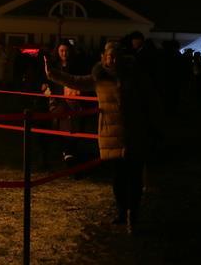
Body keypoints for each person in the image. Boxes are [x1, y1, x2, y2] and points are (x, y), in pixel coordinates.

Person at [45, 43, 154, 233]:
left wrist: (151, 124)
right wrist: (53, 73)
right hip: (112, 134)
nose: (113, 60)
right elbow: (75, 80)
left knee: (135, 177)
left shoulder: (134, 77)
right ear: (103, 57)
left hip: (134, 132)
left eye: (116, 56)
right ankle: (122, 212)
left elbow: (149, 100)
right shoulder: (99, 78)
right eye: (110, 56)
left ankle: (133, 214)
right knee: (119, 178)